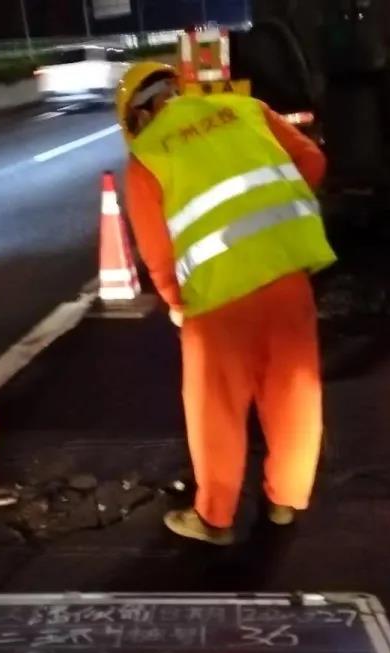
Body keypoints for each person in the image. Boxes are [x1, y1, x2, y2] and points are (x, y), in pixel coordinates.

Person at [118, 62, 337, 546]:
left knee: (215, 409)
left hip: (217, 298)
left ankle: (215, 519)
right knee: (293, 392)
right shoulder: (246, 109)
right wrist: (273, 216)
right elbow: (312, 162)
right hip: (286, 274)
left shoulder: (147, 156)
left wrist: (176, 302)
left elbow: (158, 255)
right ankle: (285, 502)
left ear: (138, 115)